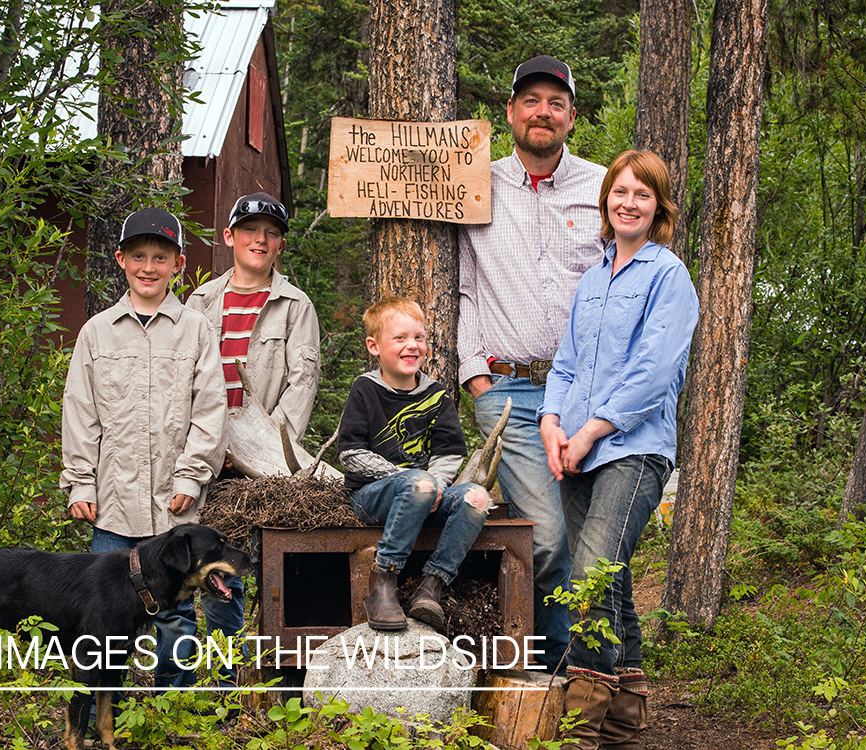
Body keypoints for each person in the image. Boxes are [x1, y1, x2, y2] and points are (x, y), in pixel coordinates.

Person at [539, 150, 698, 750]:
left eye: (643, 194)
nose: (629, 203)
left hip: (634, 451)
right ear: (606, 199)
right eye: (620, 191)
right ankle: (625, 721)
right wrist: (553, 423)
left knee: (590, 574)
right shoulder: (593, 278)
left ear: (659, 208)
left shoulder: (668, 276)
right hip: (575, 450)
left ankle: (581, 727)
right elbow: (568, 362)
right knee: (614, 581)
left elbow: (654, 371)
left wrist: (589, 431)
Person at [458, 54, 607, 672]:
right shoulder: (475, 186)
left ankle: (577, 675)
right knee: (546, 540)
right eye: (530, 101)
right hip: (511, 396)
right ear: (511, 111)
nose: (542, 112)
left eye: (555, 102)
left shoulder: (602, 186)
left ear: (571, 116)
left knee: (584, 545)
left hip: (585, 395)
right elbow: (461, 284)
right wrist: (476, 377)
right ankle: (545, 670)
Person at [61, 206, 227, 689]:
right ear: (121, 259)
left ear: (177, 262)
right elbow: (81, 414)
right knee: (103, 610)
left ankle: (173, 701)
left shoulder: (195, 329)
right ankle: (97, 705)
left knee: (175, 614)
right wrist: (80, 483)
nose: (149, 267)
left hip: (173, 506)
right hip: (111, 503)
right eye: (139, 255)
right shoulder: (96, 332)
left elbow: (209, 409)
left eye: (160, 257)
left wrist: (192, 476)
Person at [183, 192, 321, 685]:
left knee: (258, 567)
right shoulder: (198, 303)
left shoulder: (294, 306)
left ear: (280, 244)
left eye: (270, 232)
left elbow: (301, 384)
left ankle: (268, 675)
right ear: (229, 237)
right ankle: (216, 679)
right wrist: (202, 448)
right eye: (249, 230)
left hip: (259, 464)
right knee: (209, 572)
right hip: (202, 454)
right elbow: (185, 378)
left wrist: (264, 450)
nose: (259, 239)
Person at [338, 297, 491, 631]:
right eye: (400, 338)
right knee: (419, 484)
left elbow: (450, 453)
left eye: (419, 338)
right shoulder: (365, 390)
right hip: (371, 496)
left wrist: (434, 483)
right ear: (374, 346)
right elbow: (350, 453)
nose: (412, 346)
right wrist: (409, 478)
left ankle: (431, 586)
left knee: (477, 497)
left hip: (426, 493)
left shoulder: (437, 396)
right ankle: (384, 584)